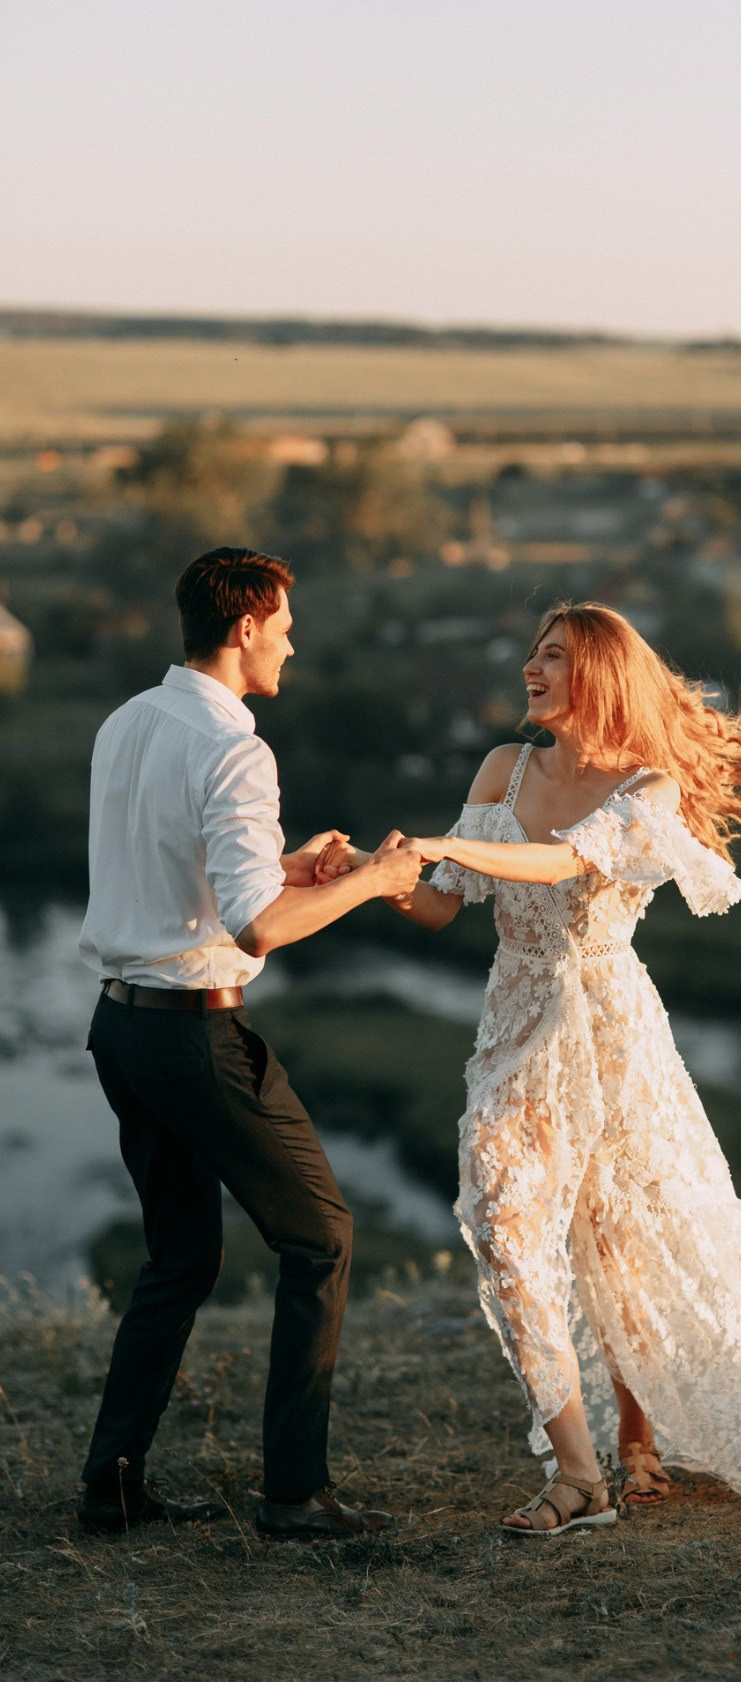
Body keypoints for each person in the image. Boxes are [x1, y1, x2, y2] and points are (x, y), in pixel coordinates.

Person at [320, 602, 741, 1535]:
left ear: (600, 677)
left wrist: (454, 841)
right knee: (502, 1215)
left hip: (609, 1023)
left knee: (619, 1231)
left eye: (555, 658)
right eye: (532, 654)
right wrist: (373, 875)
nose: (531, 670)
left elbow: (568, 864)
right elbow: (445, 903)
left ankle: (638, 1441)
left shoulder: (646, 788)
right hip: (518, 1021)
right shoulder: (504, 767)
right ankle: (578, 1473)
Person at [77, 546, 422, 1540]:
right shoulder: (236, 745)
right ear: (243, 628)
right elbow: (256, 927)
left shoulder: (127, 722)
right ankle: (293, 1493)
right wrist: (372, 879)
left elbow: (180, 878)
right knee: (322, 1235)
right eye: (283, 623)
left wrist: (290, 861)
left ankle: (114, 1483)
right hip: (194, 1033)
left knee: (179, 1257)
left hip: (119, 1027)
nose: (291, 640)